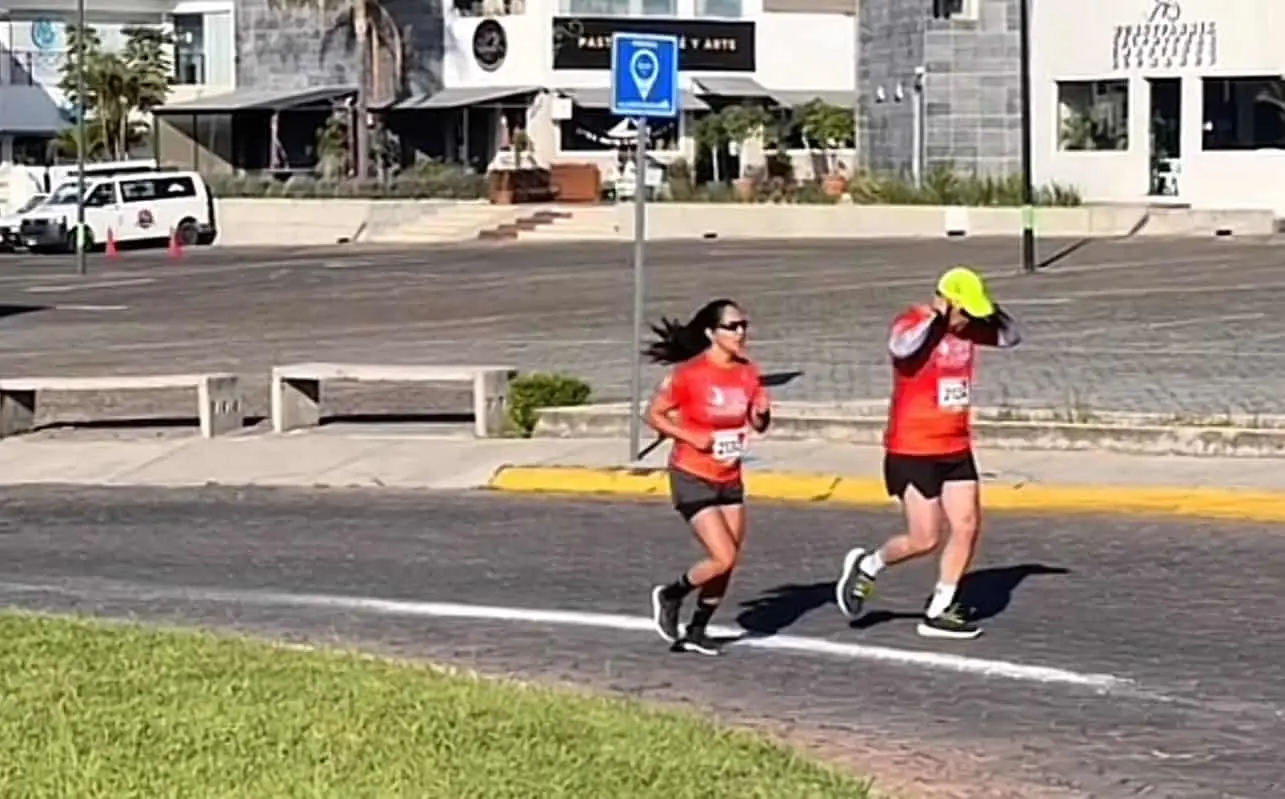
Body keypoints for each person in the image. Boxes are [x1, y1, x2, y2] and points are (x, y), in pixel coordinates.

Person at [836, 266, 1022, 640]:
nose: (968, 320)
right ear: (947, 302)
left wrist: (986, 310)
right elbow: (900, 347)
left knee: (967, 524)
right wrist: (937, 316)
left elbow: (1011, 337)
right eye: (963, 310)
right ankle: (869, 565)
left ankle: (939, 609)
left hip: (955, 445)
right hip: (912, 448)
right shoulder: (913, 322)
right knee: (924, 538)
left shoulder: (969, 328)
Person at [644, 299, 771, 656]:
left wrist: (761, 413)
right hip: (692, 474)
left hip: (729, 475)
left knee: (729, 562)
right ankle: (671, 594)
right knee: (723, 556)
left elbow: (758, 423)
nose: (741, 332)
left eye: (743, 325)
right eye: (732, 326)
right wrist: (690, 436)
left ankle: (697, 630)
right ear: (711, 333)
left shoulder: (748, 371)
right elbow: (653, 415)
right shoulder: (691, 374)